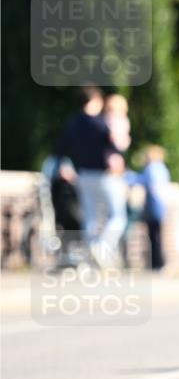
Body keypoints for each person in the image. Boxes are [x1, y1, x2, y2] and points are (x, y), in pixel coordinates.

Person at [55, 86, 126, 264]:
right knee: (118, 216)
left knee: (91, 217)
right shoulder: (100, 123)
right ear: (95, 101)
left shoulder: (72, 123)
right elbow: (115, 147)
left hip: (83, 175)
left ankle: (91, 256)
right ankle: (101, 248)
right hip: (104, 175)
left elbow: (62, 149)